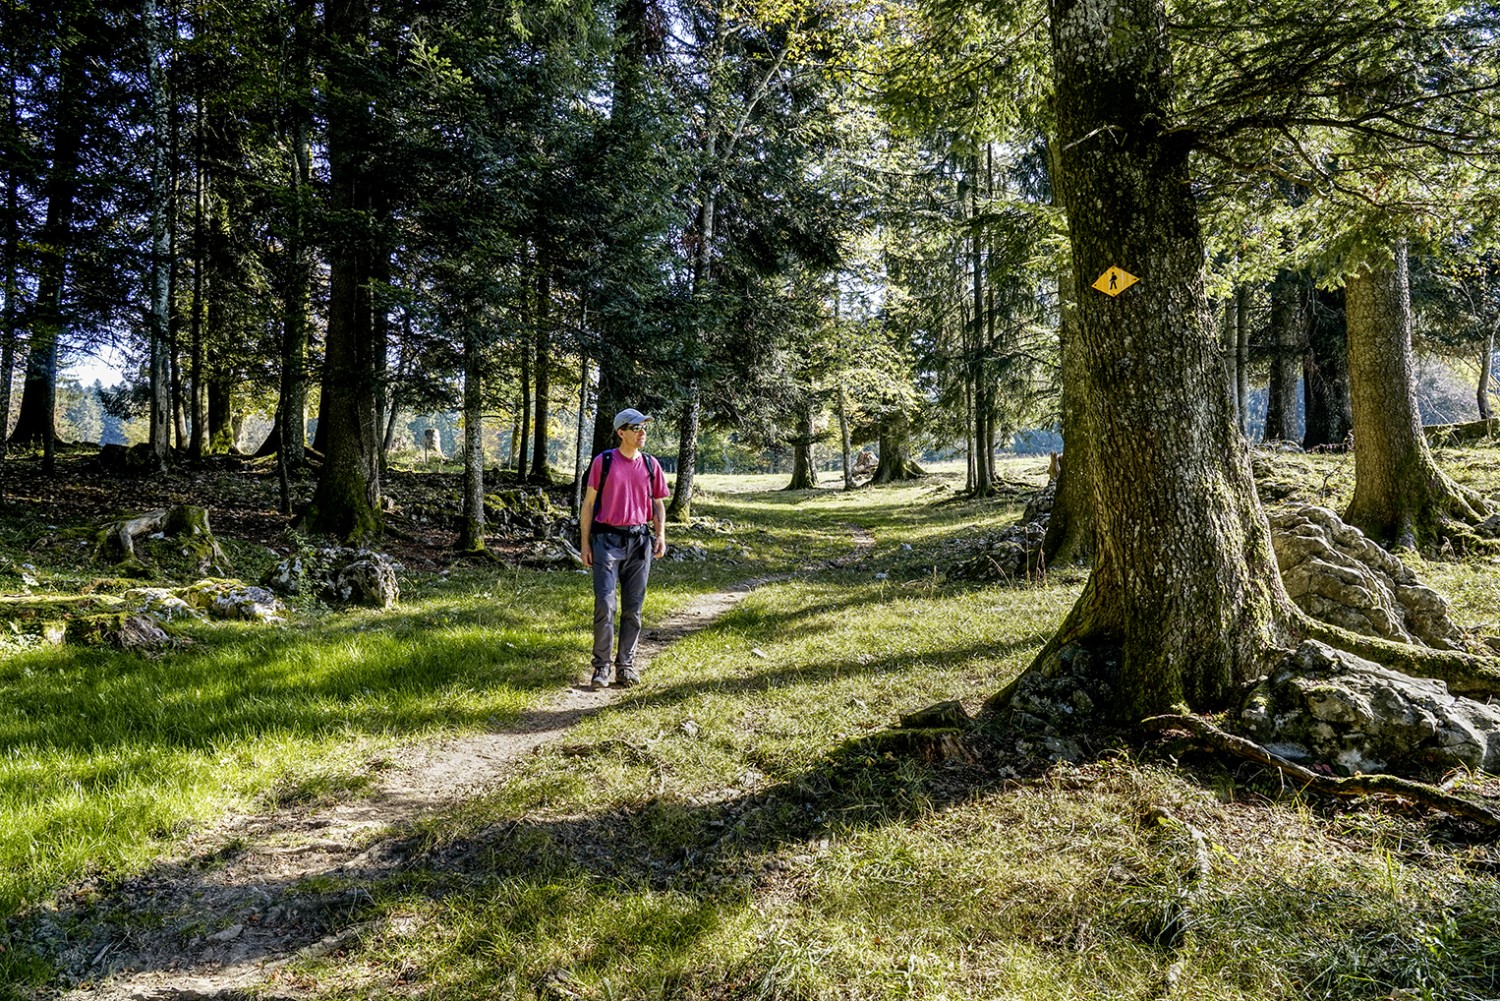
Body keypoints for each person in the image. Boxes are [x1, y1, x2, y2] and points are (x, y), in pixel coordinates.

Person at [580, 407, 669, 690]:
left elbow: (658, 504)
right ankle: (602, 668)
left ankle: (626, 666)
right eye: (636, 428)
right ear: (621, 433)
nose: (642, 433)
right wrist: (584, 544)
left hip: (639, 542)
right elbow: (588, 505)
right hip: (606, 540)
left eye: (644, 428)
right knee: (605, 605)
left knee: (633, 609)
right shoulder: (603, 462)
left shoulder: (651, 465)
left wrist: (661, 535)